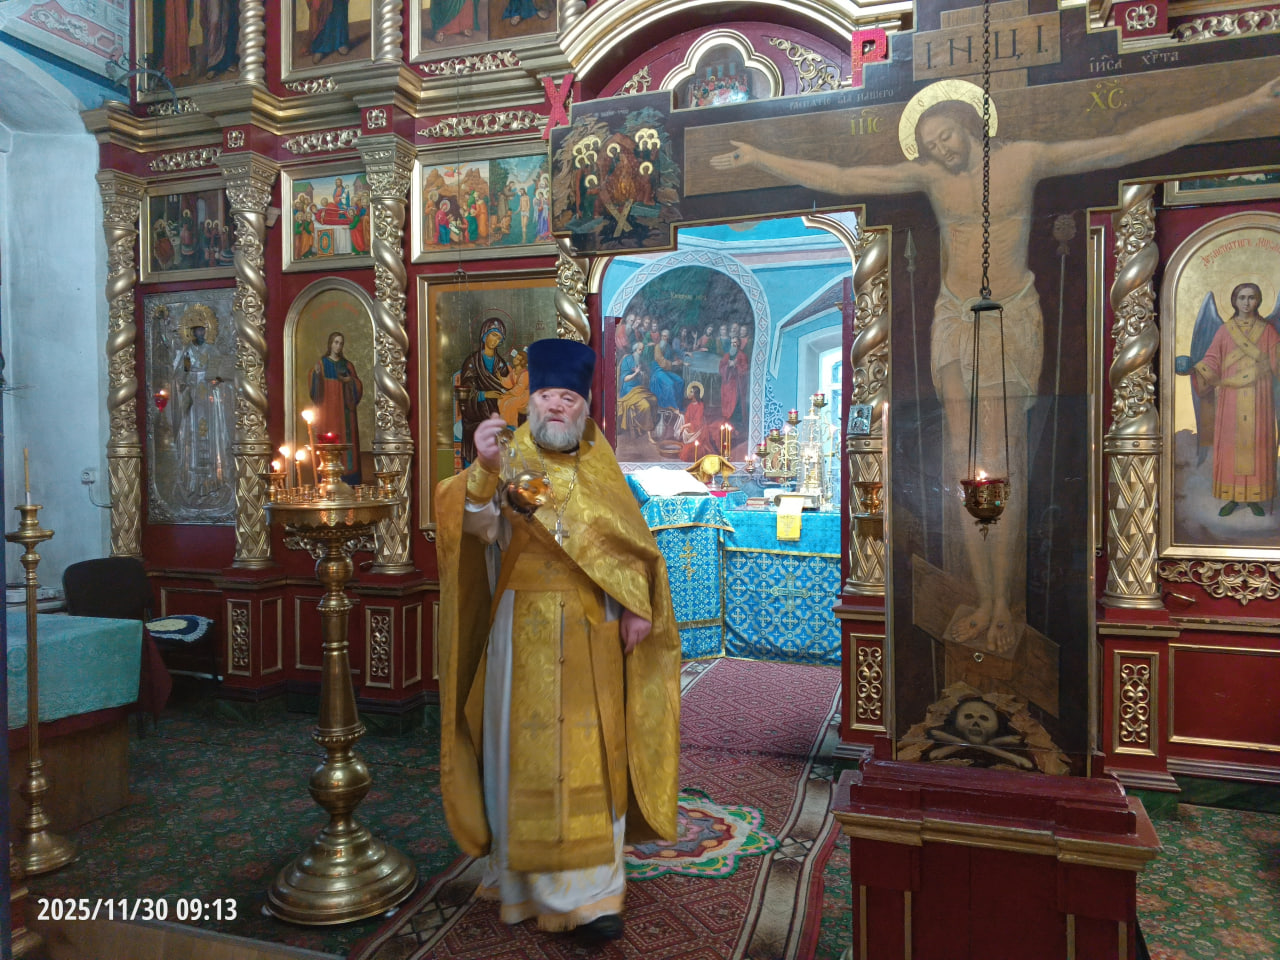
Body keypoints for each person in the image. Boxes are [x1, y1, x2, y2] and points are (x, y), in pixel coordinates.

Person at [711, 76, 1280, 653]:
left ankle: (1005, 602)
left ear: (971, 124)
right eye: (929, 145)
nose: (941, 150)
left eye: (946, 136)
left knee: (1001, 461)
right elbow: (848, 178)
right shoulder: (933, 178)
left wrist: (1246, 101)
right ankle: (983, 598)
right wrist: (761, 157)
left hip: (1010, 315)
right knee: (964, 461)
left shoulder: (1024, 159)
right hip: (951, 316)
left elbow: (1126, 143)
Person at [435, 338, 680, 945]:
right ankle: (523, 883)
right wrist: (481, 469)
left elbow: (630, 545)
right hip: (520, 629)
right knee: (521, 750)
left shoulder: (601, 466)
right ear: (532, 402)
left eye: (568, 397)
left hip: (592, 627)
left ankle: (593, 895)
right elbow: (477, 528)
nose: (556, 406)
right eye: (546, 395)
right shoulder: (507, 456)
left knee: (594, 750)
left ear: (584, 406)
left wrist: (636, 605)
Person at [1187, 282, 1280, 516]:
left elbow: (1277, 361)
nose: (1246, 303)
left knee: (1257, 446)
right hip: (1231, 398)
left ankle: (1254, 498)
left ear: (1258, 301)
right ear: (1234, 301)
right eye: (1242, 298)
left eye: (1251, 298)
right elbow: (1211, 360)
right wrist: (1196, 368)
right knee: (1231, 446)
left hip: (1260, 398)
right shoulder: (1224, 331)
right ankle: (1233, 498)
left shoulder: (1268, 331)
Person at [172, 306, 234, 508]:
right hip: (194, 395)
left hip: (209, 396)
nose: (201, 333)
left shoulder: (211, 350)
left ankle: (214, 480)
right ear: (192, 331)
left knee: (211, 432)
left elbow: (220, 371)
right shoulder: (188, 351)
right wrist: (185, 382)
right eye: (197, 330)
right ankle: (193, 481)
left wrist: (217, 379)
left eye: (203, 329)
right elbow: (183, 372)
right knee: (193, 433)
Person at [309, 331, 364, 483]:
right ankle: (327, 476)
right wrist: (317, 375)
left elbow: (357, 386)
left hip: (345, 413)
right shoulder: (322, 364)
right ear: (330, 344)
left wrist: (349, 381)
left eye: (341, 343)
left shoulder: (347, 365)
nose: (338, 346)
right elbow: (314, 392)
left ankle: (349, 478)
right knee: (329, 438)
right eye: (336, 342)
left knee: (346, 440)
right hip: (328, 412)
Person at [457, 317, 511, 465]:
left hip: (497, 411)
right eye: (493, 335)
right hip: (475, 416)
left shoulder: (501, 365)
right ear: (485, 335)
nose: (495, 340)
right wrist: (485, 394)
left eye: (499, 338)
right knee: (477, 431)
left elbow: (507, 387)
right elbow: (465, 392)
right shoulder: (472, 362)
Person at [617, 340, 656, 438]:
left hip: (639, 388)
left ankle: (647, 424)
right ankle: (644, 427)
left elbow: (646, 374)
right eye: (639, 350)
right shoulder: (627, 360)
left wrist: (643, 374)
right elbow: (625, 379)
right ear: (635, 350)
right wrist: (636, 373)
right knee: (645, 405)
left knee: (654, 400)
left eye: (642, 350)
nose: (641, 352)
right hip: (629, 389)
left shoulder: (640, 360)